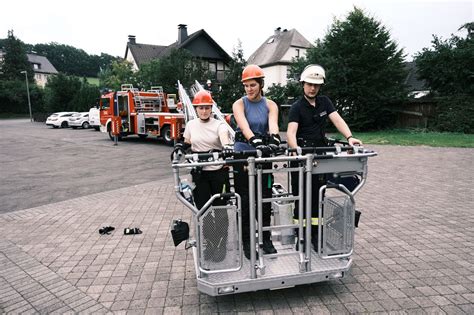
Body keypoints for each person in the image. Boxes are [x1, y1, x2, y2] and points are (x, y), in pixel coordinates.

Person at [286, 64, 362, 252]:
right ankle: (301, 236)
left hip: (320, 157)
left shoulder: (325, 102)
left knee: (318, 196)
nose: (313, 88)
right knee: (301, 198)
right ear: (303, 84)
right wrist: (296, 149)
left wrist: (350, 138)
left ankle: (316, 235)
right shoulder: (296, 107)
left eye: (316, 85)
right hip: (302, 159)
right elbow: (290, 132)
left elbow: (337, 120)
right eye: (310, 84)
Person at [172, 90, 231, 262]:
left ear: (211, 108)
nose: (204, 111)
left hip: (218, 174)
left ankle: (221, 245)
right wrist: (180, 148)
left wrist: (226, 147)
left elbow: (224, 139)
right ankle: (210, 245)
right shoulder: (191, 125)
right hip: (200, 174)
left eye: (207, 108)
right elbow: (188, 142)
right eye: (201, 108)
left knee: (220, 212)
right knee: (204, 212)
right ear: (196, 109)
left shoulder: (218, 125)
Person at [232, 64, 281, 259]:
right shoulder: (239, 104)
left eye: (253, 85)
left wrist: (275, 139)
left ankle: (266, 239)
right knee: (245, 200)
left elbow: (273, 124)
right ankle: (247, 241)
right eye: (246, 86)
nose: (249, 89)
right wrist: (254, 140)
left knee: (265, 199)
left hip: (263, 156)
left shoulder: (271, 104)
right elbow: (243, 125)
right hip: (243, 155)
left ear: (261, 84)